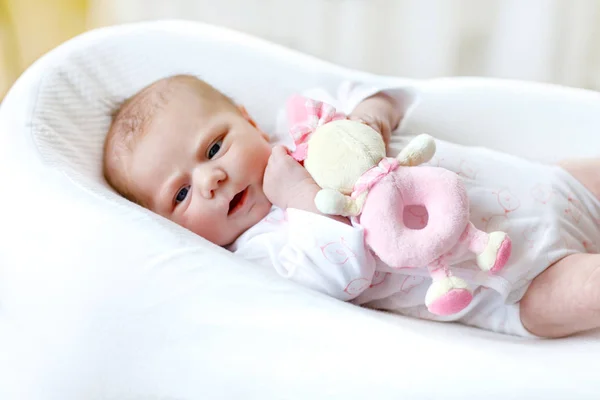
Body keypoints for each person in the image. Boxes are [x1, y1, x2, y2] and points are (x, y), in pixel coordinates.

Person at [103, 74, 600, 339]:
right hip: (514, 283)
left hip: (546, 185)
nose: (210, 179)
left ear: (247, 120)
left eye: (213, 148)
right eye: (181, 195)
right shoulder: (261, 251)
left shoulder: (307, 123)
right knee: (582, 291)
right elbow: (346, 271)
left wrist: (368, 118)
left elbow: (376, 90)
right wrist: (298, 195)